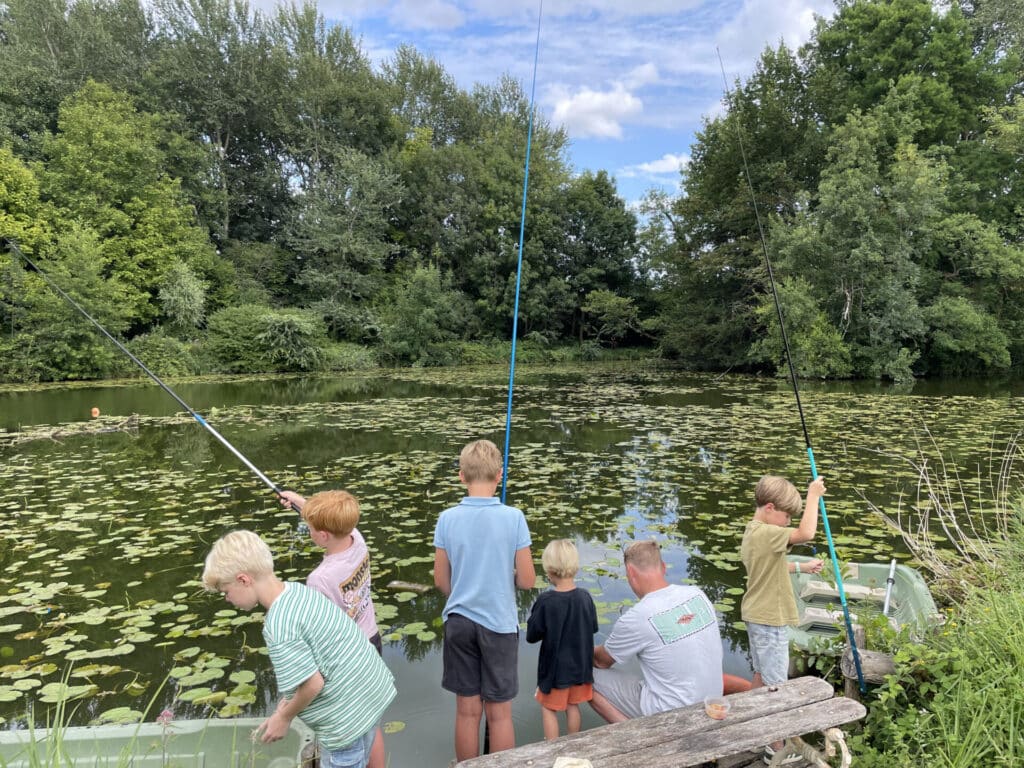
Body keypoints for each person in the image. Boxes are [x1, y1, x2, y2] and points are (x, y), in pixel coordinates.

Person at [202, 530, 395, 768]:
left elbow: (313, 683)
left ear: (243, 579)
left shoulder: (279, 625)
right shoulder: (297, 591)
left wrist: (284, 717)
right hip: (368, 696)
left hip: (346, 721)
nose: (227, 599)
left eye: (226, 591)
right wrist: (286, 703)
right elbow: (322, 656)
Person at [433, 439, 535, 762]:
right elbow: (529, 580)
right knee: (500, 714)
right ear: (500, 476)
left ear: (461, 476)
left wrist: (465, 591)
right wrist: (508, 579)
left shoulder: (446, 519)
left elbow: (440, 581)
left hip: (459, 623)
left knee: (466, 712)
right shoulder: (514, 517)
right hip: (499, 626)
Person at [279, 489, 386, 768]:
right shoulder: (357, 540)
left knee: (349, 727)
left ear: (323, 535)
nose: (308, 531)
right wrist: (301, 503)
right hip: (371, 642)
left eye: (311, 528)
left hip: (346, 659)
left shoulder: (320, 579)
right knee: (370, 719)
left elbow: (322, 634)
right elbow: (335, 522)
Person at [740, 474, 826, 765]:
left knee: (762, 675)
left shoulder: (755, 530)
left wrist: (801, 566)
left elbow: (771, 565)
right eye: (786, 515)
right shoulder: (766, 532)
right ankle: (773, 747)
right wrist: (813, 495)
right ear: (769, 507)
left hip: (756, 613)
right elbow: (807, 534)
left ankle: (749, 724)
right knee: (776, 686)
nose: (788, 521)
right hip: (768, 618)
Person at [590, 540, 723, 723]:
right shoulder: (697, 594)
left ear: (630, 572)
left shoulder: (638, 616)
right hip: (710, 703)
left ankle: (636, 737)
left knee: (584, 675)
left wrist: (576, 647)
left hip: (671, 716)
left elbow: (600, 661)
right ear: (663, 567)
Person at [526, 539, 599, 740]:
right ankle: (572, 743)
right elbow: (592, 627)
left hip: (555, 673)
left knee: (548, 709)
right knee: (572, 706)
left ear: (549, 570)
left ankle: (552, 748)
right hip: (581, 668)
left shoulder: (546, 601)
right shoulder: (585, 597)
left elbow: (532, 636)